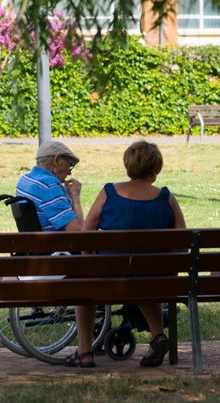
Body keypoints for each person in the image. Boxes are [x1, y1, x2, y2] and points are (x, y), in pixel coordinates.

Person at [65, 140, 187, 368]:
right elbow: (182, 243)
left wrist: (91, 261)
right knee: (143, 276)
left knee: (81, 285)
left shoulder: (109, 192)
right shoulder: (166, 198)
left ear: (128, 165)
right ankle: (157, 335)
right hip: (155, 280)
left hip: (108, 279)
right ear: (156, 169)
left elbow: (86, 233)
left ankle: (84, 351)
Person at [15, 139, 84, 231]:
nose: (69, 173)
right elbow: (77, 230)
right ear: (57, 160)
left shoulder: (25, 180)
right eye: (70, 165)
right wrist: (75, 197)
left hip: (32, 242)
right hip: (55, 243)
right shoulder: (49, 185)